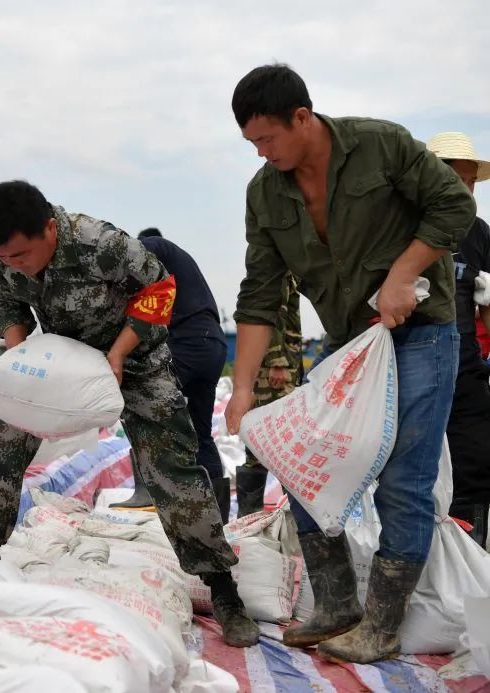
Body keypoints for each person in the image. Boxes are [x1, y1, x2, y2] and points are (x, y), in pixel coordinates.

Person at [224, 65, 475, 664]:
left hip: (420, 335)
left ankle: (383, 626)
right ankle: (336, 605)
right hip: (348, 346)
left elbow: (454, 206)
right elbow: (260, 295)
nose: (262, 153)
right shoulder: (266, 193)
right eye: (252, 144)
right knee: (305, 463)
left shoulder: (380, 145)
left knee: (403, 483)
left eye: (268, 138)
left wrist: (403, 273)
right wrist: (240, 391)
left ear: (302, 118)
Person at [0, 180, 260, 647]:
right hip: (63, 357)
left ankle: (223, 591)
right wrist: (17, 359)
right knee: (0, 438)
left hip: (137, 359)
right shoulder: (1, 251)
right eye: (3, 258)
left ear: (48, 229)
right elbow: (7, 297)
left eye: (21, 255)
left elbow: (161, 288)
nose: (13, 264)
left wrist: (121, 353)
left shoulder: (99, 243)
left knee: (172, 468)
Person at [111, 227, 232, 524]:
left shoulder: (150, 247)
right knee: (201, 433)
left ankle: (147, 492)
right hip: (213, 345)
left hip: (189, 343)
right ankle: (218, 515)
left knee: (140, 400)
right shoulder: (179, 260)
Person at [427, 131, 490, 548]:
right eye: (454, 180)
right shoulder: (399, 229)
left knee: (474, 470)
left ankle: (472, 574)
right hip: (415, 378)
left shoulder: (479, 233)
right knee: (415, 480)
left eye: (469, 182)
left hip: (467, 376)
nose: (464, 190)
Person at [236, 273, 303, 517]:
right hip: (274, 368)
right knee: (281, 439)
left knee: (268, 437)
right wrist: (277, 360)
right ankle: (292, 516)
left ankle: (254, 515)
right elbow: (273, 311)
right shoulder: (278, 271)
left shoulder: (286, 271)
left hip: (278, 363)